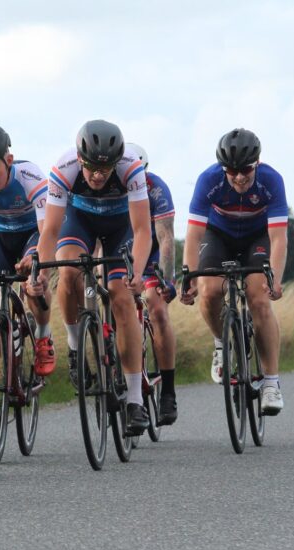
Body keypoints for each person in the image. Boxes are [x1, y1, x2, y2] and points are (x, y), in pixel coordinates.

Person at [29, 119, 152, 436]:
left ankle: (135, 400)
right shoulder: (64, 168)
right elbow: (50, 231)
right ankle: (75, 343)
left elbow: (142, 230)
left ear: (116, 162)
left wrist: (137, 271)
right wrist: (39, 272)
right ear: (80, 159)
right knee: (68, 270)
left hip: (120, 226)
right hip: (79, 221)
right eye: (92, 168)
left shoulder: (131, 168)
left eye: (105, 169)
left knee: (121, 297)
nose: (98, 175)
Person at [180, 128, 287, 415]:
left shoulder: (272, 180)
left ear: (257, 163)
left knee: (259, 298)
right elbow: (194, 235)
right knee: (209, 291)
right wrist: (189, 276)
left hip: (257, 238)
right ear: (222, 167)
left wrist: (275, 279)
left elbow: (278, 238)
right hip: (218, 236)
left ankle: (271, 383)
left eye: (246, 170)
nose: (239, 177)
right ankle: (221, 344)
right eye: (232, 171)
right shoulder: (208, 180)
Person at [0, 124, 54, 434]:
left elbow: (47, 230)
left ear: (9, 160)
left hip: (32, 236)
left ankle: (43, 335)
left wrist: (38, 263)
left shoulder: (30, 177)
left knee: (33, 286)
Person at [125, 143, 180, 425]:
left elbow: (166, 237)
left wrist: (166, 279)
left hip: (151, 259)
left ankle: (168, 391)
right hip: (122, 255)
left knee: (156, 309)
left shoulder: (156, 189)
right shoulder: (107, 190)